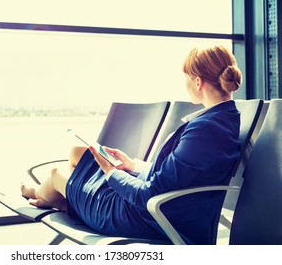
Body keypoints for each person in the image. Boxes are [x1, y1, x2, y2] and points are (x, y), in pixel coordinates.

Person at [21, 45, 243, 245]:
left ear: (197, 81)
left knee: (57, 173)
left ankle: (45, 195)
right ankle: (57, 199)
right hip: (155, 205)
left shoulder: (205, 131)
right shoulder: (223, 119)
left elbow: (151, 194)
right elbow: (181, 174)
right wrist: (132, 165)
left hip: (140, 216)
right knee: (78, 152)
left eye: (186, 77)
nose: (185, 83)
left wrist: (111, 173)